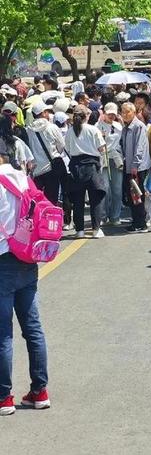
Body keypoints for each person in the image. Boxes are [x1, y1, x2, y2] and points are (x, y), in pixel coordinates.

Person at [0, 161, 50, 416]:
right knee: (33, 329)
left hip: (3, 260)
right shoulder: (21, 177)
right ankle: (40, 392)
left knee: (3, 334)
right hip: (28, 257)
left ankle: (4, 398)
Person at [65, 105, 107, 239]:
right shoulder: (93, 129)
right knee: (96, 198)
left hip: (76, 166)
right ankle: (96, 229)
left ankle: (80, 230)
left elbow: (67, 149)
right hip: (91, 165)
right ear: (86, 116)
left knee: (78, 200)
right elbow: (102, 149)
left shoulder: (70, 131)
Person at [120, 102, 151, 233]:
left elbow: (140, 147)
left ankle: (141, 223)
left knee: (137, 194)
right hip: (128, 165)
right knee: (131, 194)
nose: (125, 114)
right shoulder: (125, 127)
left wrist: (134, 164)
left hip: (136, 167)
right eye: (123, 111)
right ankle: (136, 221)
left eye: (128, 112)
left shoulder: (138, 126)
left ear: (133, 112)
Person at [26, 101, 66, 204]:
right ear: (43, 113)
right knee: (52, 199)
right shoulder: (52, 127)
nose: (48, 114)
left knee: (37, 200)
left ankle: (38, 218)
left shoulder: (29, 130)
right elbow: (61, 146)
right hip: (52, 168)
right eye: (47, 111)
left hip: (37, 170)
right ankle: (50, 218)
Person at [97, 102, 124, 225]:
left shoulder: (119, 126)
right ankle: (103, 215)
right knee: (105, 188)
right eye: (109, 114)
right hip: (103, 158)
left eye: (114, 114)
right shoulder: (97, 126)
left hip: (116, 158)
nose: (111, 116)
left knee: (117, 189)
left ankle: (115, 216)